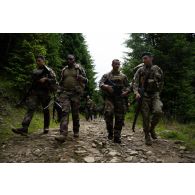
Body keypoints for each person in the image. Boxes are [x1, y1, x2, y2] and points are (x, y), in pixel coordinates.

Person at [12, 55, 57, 135]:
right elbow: (32, 82)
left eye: (39, 60)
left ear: (44, 61)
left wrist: (46, 79)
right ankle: (25, 128)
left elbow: (55, 81)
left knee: (46, 110)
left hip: (45, 93)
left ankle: (46, 127)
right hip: (35, 92)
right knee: (30, 108)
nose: (38, 62)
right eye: (37, 61)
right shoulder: (35, 71)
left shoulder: (49, 71)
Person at [133, 52, 164, 145]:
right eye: (143, 59)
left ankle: (151, 129)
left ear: (151, 58)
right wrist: (136, 92)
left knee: (158, 111)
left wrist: (158, 93)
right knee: (145, 116)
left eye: (146, 58)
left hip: (155, 94)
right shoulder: (140, 70)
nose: (144, 60)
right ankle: (147, 135)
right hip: (144, 95)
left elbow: (162, 82)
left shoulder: (157, 69)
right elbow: (135, 83)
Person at [55, 54, 88, 142]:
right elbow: (61, 82)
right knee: (64, 112)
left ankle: (76, 130)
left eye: (71, 59)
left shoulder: (79, 69)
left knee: (75, 113)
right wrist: (58, 91)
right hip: (65, 93)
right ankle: (63, 134)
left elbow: (86, 80)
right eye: (68, 59)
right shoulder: (64, 70)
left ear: (74, 60)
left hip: (76, 94)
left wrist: (82, 78)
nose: (69, 60)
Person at [99, 59, 130, 144]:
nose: (117, 65)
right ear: (112, 64)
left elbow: (128, 87)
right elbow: (100, 83)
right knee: (108, 114)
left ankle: (117, 136)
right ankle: (110, 132)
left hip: (120, 98)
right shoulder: (107, 75)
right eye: (115, 64)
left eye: (118, 64)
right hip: (110, 98)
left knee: (119, 117)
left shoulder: (123, 76)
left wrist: (125, 92)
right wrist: (106, 87)